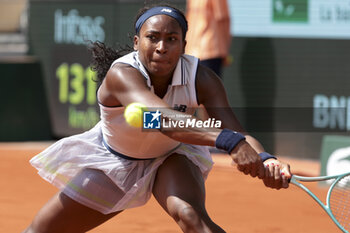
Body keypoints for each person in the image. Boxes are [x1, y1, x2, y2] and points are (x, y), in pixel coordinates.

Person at [23, 4, 291, 233]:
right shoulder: (122, 75)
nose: (162, 47)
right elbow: (160, 120)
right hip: (114, 161)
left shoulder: (202, 78)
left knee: (190, 216)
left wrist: (267, 160)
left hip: (172, 156)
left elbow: (237, 131)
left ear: (184, 45)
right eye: (153, 38)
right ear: (137, 42)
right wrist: (230, 142)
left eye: (172, 39)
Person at [185, 0, 231, 78]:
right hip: (211, 49)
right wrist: (225, 50)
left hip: (191, 51)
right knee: (212, 87)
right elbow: (223, 19)